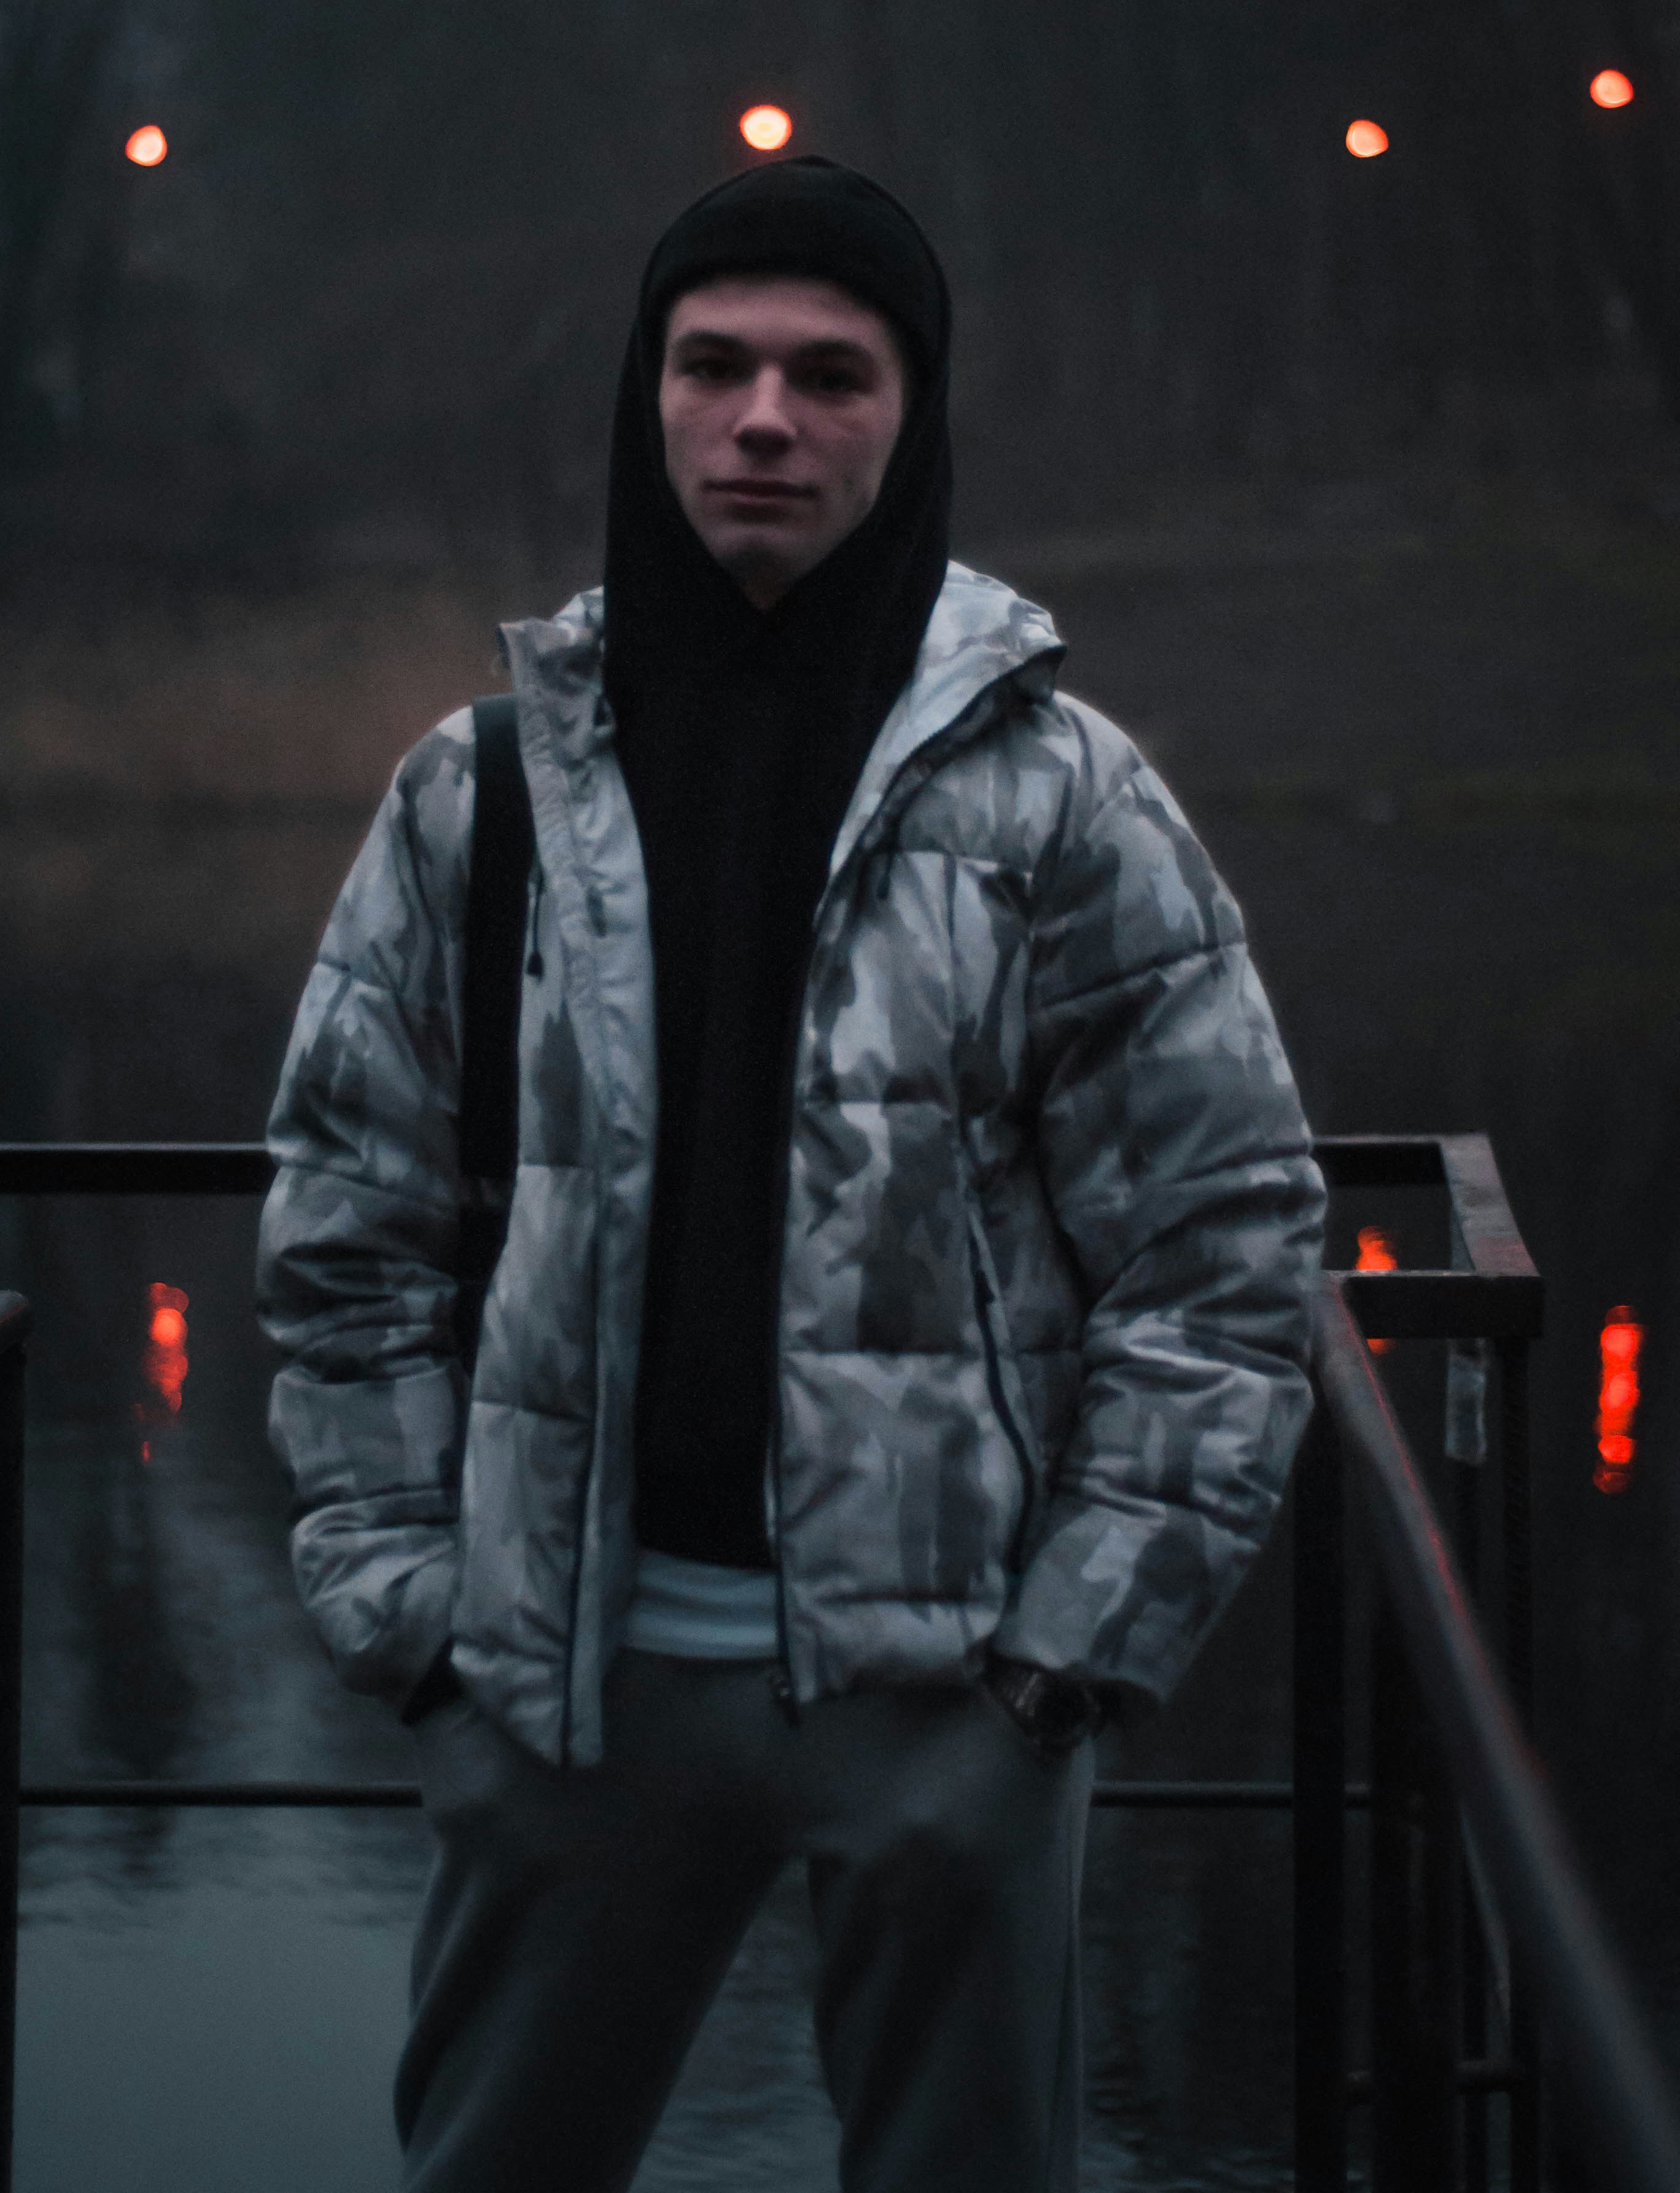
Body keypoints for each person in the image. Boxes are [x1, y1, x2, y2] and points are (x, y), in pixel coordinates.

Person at [257, 157, 1325, 2193]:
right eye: (715, 365)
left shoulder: (1063, 801)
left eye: (831, 376)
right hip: (560, 1685)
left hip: (946, 1697)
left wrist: (1057, 1668)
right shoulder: (479, 794)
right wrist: (412, 1618)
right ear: (646, 396)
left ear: (911, 415)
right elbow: (345, 1223)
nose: (764, 419)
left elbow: (1225, 1247)